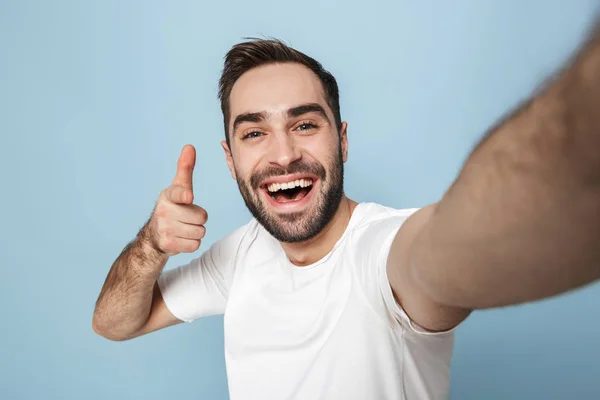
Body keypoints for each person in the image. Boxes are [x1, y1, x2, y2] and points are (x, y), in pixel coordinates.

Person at [93, 22, 600, 400]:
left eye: (305, 124)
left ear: (342, 139)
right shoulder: (241, 255)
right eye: (253, 133)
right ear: (230, 160)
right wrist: (151, 245)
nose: (283, 154)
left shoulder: (383, 253)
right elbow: (114, 323)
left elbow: (453, 244)